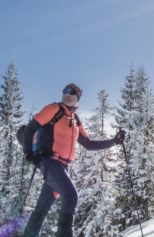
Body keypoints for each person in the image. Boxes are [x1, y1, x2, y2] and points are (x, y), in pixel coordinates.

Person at [22, 83, 125, 237]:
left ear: (77, 98)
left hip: (63, 168)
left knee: (42, 208)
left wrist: (114, 141)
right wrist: (29, 154)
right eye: (65, 91)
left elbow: (88, 144)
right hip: (51, 162)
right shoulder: (53, 109)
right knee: (71, 196)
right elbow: (31, 128)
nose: (66, 94)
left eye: (71, 93)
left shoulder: (75, 120)